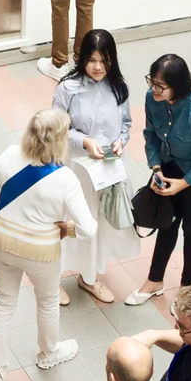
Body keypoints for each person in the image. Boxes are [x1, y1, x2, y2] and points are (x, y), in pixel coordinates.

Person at [0, 108, 96, 381]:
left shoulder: (9, 154)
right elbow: (89, 228)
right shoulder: (66, 179)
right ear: (61, 140)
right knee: (48, 300)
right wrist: (67, 229)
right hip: (43, 249)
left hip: (2, 242)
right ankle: (48, 353)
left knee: (3, 304)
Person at [126, 54, 191, 304]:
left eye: (160, 85)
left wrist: (183, 184)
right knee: (166, 223)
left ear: (178, 86)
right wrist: (156, 168)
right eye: (152, 82)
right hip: (170, 168)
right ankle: (154, 281)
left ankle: (187, 290)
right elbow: (151, 134)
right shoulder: (153, 98)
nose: (153, 89)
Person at [53, 29, 136, 306]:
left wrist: (120, 143)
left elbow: (126, 125)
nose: (98, 67)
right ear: (82, 59)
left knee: (96, 223)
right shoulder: (68, 88)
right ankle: (52, 280)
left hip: (107, 170)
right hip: (76, 168)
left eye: (104, 60)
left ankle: (88, 277)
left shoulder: (118, 87)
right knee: (69, 221)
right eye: (92, 60)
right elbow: (56, 128)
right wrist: (85, 140)